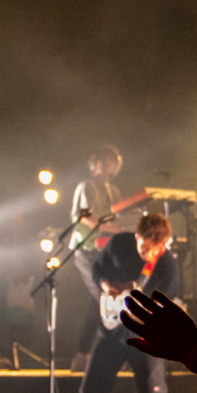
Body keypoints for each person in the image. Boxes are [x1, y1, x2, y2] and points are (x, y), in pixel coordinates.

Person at [75, 212, 177, 393]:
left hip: (145, 339)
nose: (148, 253)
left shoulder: (166, 265)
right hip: (110, 332)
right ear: (136, 235)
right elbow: (97, 268)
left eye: (155, 249)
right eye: (143, 246)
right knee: (91, 390)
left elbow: (167, 304)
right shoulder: (119, 243)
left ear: (163, 245)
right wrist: (105, 285)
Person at [67, 145, 130, 372]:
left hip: (104, 251)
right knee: (103, 295)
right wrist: (114, 228)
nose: (106, 166)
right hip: (85, 249)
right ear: (93, 165)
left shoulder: (114, 191)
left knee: (98, 301)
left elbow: (122, 214)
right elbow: (85, 217)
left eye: (111, 162)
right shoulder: (86, 186)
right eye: (102, 161)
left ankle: (84, 355)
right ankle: (104, 354)